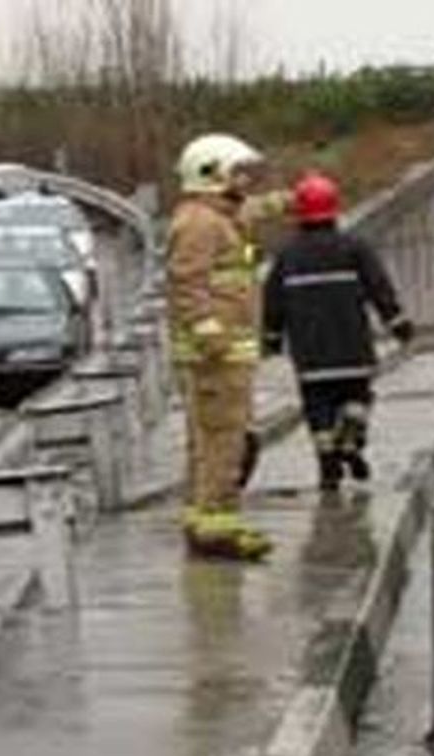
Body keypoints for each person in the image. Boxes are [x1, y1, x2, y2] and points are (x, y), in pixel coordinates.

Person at [167, 133, 287, 561]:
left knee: (211, 439)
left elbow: (249, 216)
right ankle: (219, 528)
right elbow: (187, 284)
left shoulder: (220, 216)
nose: (244, 180)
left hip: (226, 352)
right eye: (236, 171)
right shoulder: (200, 223)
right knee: (224, 441)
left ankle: (204, 518)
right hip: (216, 355)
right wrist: (210, 332)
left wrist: (283, 202)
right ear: (210, 174)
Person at [263, 172, 412, 492]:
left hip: (311, 354)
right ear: (334, 208)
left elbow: (272, 302)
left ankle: (327, 461)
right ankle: (351, 441)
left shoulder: (287, 256)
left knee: (317, 407)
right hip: (353, 348)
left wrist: (272, 340)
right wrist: (398, 323)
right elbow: (379, 288)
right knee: (358, 395)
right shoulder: (355, 247)